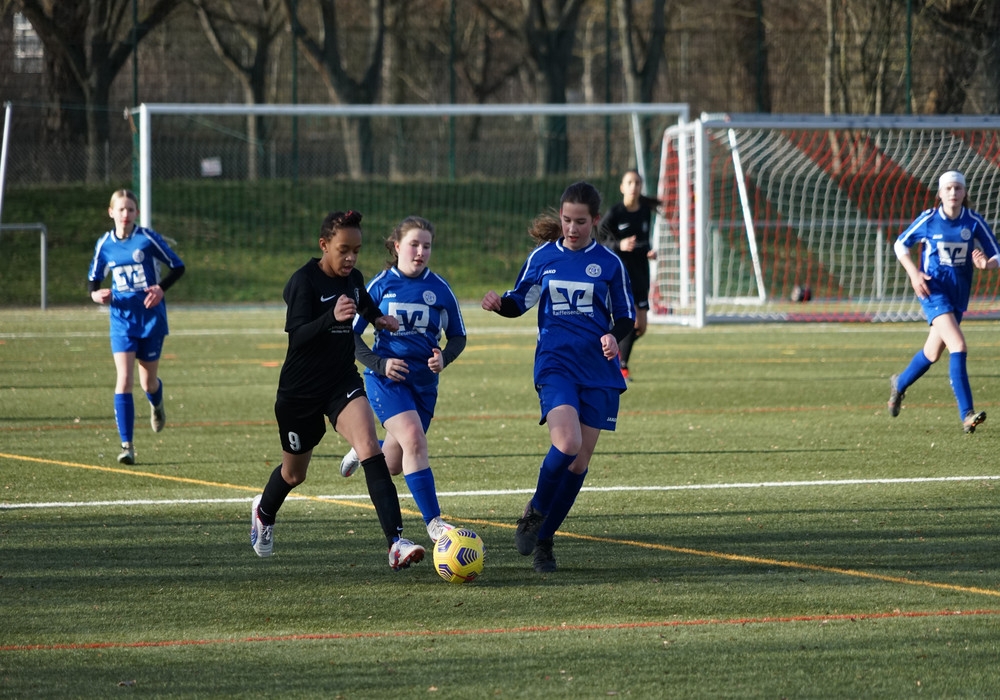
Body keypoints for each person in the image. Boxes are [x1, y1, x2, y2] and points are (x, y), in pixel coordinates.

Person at [249, 210, 425, 571]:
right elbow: (297, 336)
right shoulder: (304, 281)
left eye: (356, 251)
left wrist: (379, 319)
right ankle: (264, 512)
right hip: (300, 392)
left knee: (370, 448)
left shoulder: (354, 280)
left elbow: (364, 303)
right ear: (324, 245)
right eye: (343, 250)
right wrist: (330, 318)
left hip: (341, 382)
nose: (350, 259)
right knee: (294, 474)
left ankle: (396, 543)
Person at [481, 181, 635, 573]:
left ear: (595, 220)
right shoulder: (543, 258)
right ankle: (534, 512)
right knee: (567, 443)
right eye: (567, 220)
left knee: (579, 464)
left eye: (580, 221)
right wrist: (499, 304)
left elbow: (626, 316)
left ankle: (545, 541)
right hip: (556, 364)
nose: (571, 228)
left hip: (598, 371)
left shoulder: (610, 264)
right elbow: (520, 301)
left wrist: (612, 337)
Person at [340, 216, 467, 545]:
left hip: (423, 386)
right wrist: (380, 364)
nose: (420, 251)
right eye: (414, 244)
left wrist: (445, 357)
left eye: (427, 246)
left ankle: (364, 448)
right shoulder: (380, 285)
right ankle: (434, 522)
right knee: (414, 440)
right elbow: (351, 336)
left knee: (395, 463)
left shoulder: (440, 289)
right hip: (387, 382)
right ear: (397, 247)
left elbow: (458, 336)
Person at [887, 170, 1000, 433]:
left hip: (957, 295)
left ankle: (899, 384)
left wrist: (987, 264)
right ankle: (967, 415)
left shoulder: (973, 221)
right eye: (948, 188)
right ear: (939, 193)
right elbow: (900, 245)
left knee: (932, 353)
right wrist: (914, 274)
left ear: (964, 193)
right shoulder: (930, 219)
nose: (953, 193)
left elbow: (997, 254)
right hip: (932, 290)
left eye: (957, 188)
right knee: (958, 345)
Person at [87, 189, 185, 465]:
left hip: (151, 320)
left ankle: (156, 403)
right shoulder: (105, 244)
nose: (126, 214)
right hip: (121, 320)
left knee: (148, 382)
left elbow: (178, 267)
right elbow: (93, 280)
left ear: (137, 213)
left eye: (130, 209)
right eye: (121, 209)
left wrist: (160, 289)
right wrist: (96, 295)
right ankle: (127, 446)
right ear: (111, 212)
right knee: (124, 379)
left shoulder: (147, 239)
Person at [599, 170, 661, 381]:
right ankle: (621, 367)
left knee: (641, 328)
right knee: (632, 321)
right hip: (622, 274)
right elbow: (599, 239)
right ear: (622, 187)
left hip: (641, 272)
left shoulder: (644, 211)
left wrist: (648, 251)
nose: (634, 186)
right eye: (630, 182)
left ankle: (615, 353)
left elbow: (643, 240)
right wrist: (619, 245)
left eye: (637, 183)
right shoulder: (615, 212)